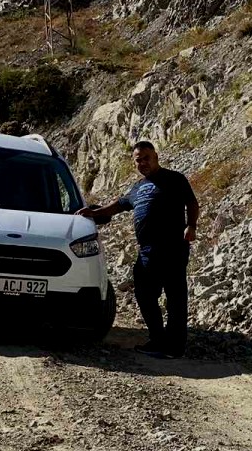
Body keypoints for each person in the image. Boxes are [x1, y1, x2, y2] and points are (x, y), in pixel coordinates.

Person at [77, 141, 199, 358]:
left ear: (156, 156)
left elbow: (191, 202)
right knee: (144, 294)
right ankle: (158, 340)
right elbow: (119, 205)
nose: (143, 162)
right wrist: (95, 213)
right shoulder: (138, 187)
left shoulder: (174, 179)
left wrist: (191, 225)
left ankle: (174, 347)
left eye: (146, 158)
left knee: (175, 296)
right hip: (147, 251)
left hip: (172, 248)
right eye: (138, 159)